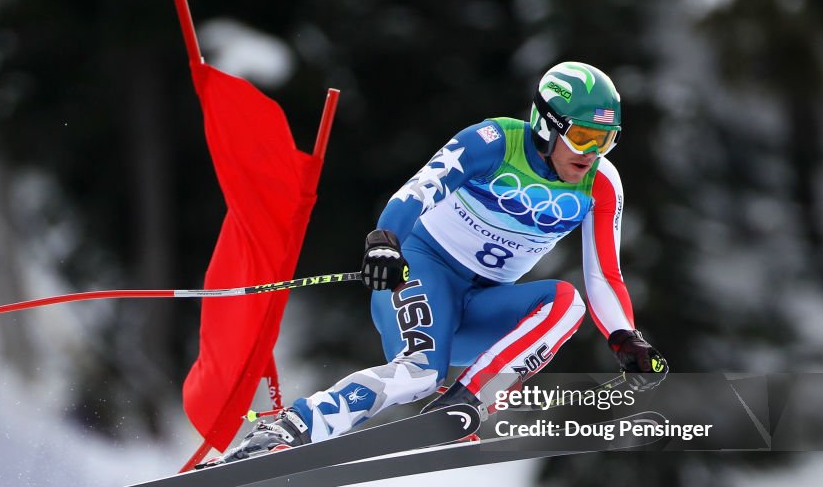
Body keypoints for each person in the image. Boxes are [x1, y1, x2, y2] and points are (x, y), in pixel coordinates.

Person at [224, 61, 668, 461]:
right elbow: (419, 189)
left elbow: (604, 274)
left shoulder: (601, 183)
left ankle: (465, 402)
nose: (592, 153)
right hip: (424, 269)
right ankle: (293, 426)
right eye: (583, 136)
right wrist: (384, 241)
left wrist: (625, 337)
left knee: (567, 303)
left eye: (606, 141)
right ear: (547, 124)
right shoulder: (493, 141)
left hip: (483, 304)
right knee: (418, 374)